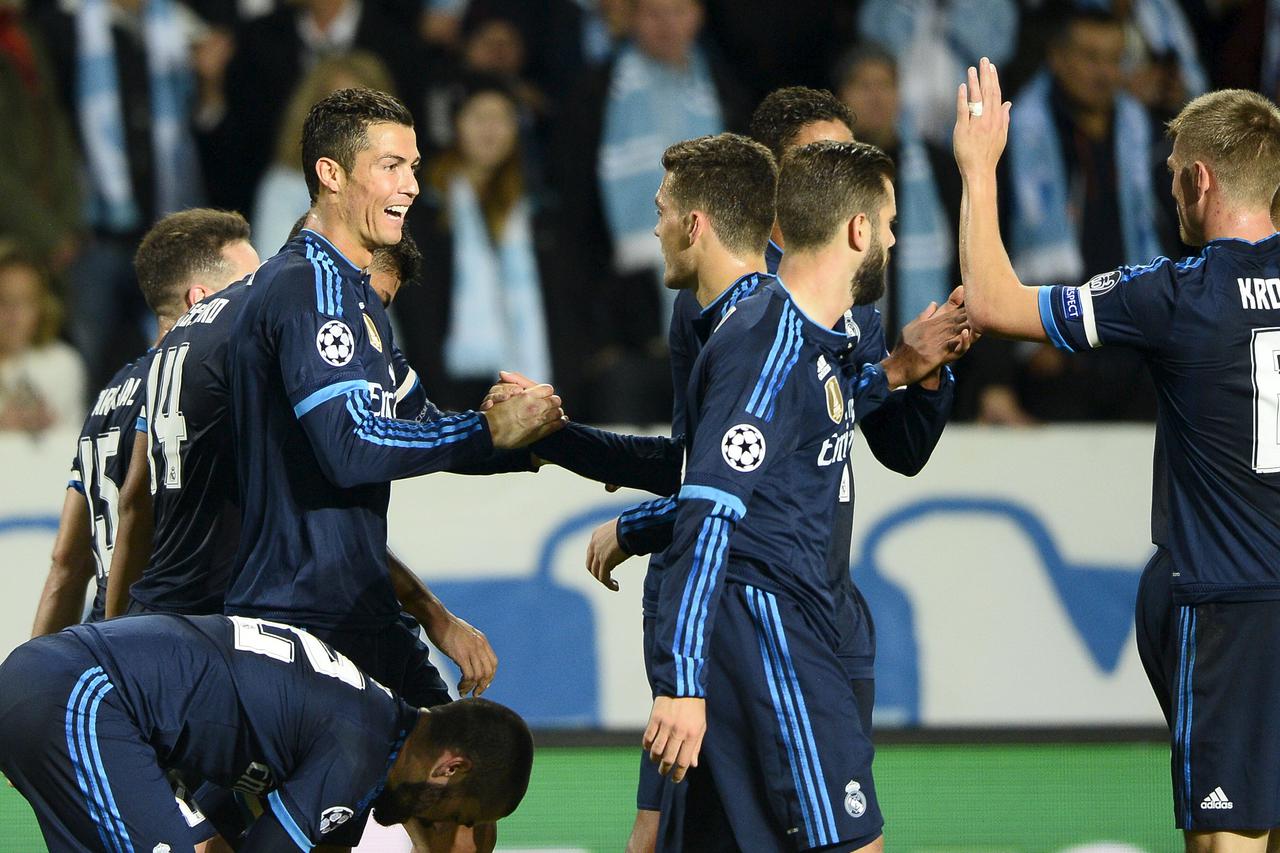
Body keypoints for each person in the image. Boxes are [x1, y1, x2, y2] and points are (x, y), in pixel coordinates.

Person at [222, 87, 562, 852]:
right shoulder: (305, 286)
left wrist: (534, 434)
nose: (412, 182)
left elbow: (416, 422)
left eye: (412, 164)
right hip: (296, 615)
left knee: (470, 792)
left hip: (358, 604)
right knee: (327, 822)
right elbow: (352, 446)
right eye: (390, 165)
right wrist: (487, 432)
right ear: (331, 174)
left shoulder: (358, 292)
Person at [954, 61, 1280, 851]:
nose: (1168, 193)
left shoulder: (1175, 294)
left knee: (1225, 840)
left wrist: (978, 168)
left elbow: (994, 300)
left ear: (1200, 178)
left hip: (1229, 609)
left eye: (1173, 177)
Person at [646, 141, 955, 852]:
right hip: (769, 625)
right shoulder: (769, 340)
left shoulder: (816, 342)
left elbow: (778, 457)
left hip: (794, 619)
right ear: (857, 231)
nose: (895, 240)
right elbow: (710, 510)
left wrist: (910, 369)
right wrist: (681, 682)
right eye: (890, 222)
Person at [0, 613, 533, 853]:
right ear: (450, 768)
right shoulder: (358, 750)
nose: (457, 836)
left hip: (69, 693)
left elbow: (228, 827)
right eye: (462, 817)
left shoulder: (370, 732)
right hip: (83, 696)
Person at [30, 209, 258, 639]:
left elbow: (66, 563)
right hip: (179, 645)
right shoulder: (215, 391)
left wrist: (38, 667)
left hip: (108, 643)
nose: (263, 301)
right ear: (201, 300)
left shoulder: (108, 397)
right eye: (249, 288)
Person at [395, 77, 560, 412]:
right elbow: (417, 309)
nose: (490, 129)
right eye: (478, 117)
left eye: (501, 118)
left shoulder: (539, 211)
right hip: (444, 386)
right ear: (456, 124)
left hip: (526, 385)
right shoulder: (423, 208)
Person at [251, 51, 397, 260]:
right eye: (338, 109)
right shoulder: (284, 185)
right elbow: (274, 271)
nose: (350, 122)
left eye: (361, 110)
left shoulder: (401, 184)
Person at [0, 250, 85, 433]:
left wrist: (51, 427)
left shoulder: (62, 364)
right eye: (3, 300)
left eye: (24, 301)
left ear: (43, 307)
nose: (12, 313)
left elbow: (74, 445)